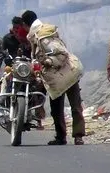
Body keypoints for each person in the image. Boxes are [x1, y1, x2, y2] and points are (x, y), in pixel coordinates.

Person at [22, 10, 85, 146]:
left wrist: (48, 62)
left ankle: (76, 136)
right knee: (60, 107)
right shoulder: (40, 34)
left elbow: (62, 53)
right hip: (59, 76)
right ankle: (63, 136)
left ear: (25, 25)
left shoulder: (43, 37)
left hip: (66, 73)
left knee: (73, 106)